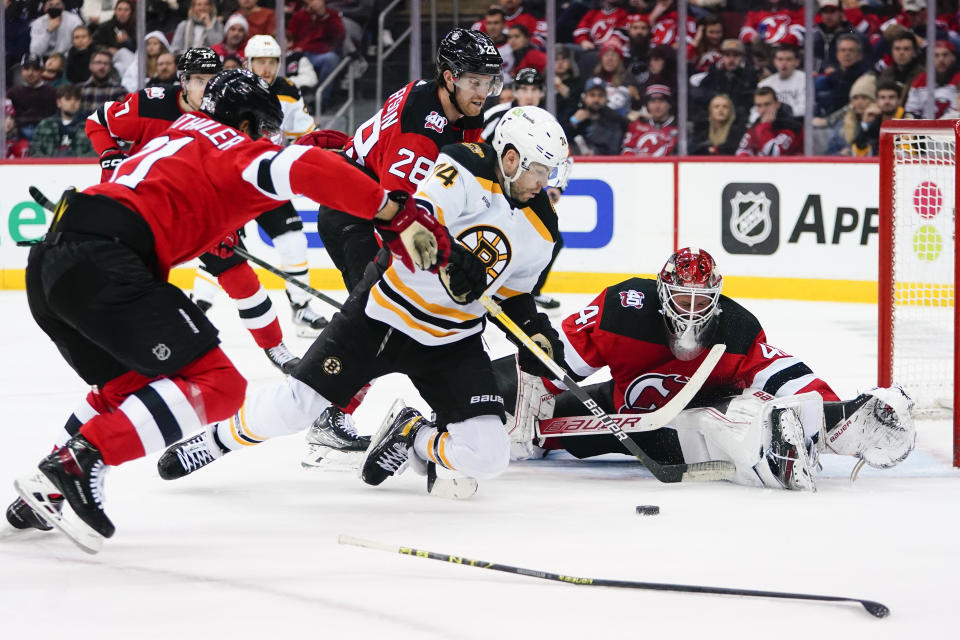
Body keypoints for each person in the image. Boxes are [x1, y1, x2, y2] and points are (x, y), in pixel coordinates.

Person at [8, 68, 440, 549]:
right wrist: (393, 212)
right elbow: (302, 170)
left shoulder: (180, 130)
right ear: (251, 124)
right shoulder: (236, 151)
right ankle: (77, 462)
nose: (269, 141)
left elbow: (187, 199)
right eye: (267, 131)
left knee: (124, 388)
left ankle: (43, 489)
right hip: (105, 262)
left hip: (51, 262)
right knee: (220, 386)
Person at [155, 106, 569, 500]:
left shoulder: (544, 228)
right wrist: (451, 261)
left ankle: (413, 438)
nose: (544, 184)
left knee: (489, 455)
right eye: (540, 171)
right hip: (381, 317)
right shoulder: (464, 163)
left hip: (452, 342)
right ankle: (213, 442)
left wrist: (534, 333)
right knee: (296, 405)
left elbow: (514, 295)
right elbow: (419, 219)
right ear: (511, 158)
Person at [497, 248, 916, 492]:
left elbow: (786, 374)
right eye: (683, 299)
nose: (693, 311)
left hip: (686, 424)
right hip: (622, 412)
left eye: (703, 300)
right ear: (662, 295)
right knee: (524, 407)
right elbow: (551, 360)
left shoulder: (735, 329)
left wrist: (835, 409)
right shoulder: (623, 309)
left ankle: (808, 436)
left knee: (716, 422)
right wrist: (512, 399)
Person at [84, 48, 305, 371]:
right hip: (143, 212)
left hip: (195, 210)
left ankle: (276, 347)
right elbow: (97, 121)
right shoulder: (149, 104)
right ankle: (121, 354)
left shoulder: (224, 113)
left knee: (241, 278)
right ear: (183, 82)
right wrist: (109, 158)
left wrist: (229, 226)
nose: (207, 88)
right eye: (199, 80)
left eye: (212, 80)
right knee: (134, 283)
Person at [312, 28, 500, 294]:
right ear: (449, 77)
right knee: (377, 307)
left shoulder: (449, 103)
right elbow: (392, 214)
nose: (482, 93)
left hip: (372, 193)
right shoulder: (419, 136)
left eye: (488, 82)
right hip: (354, 212)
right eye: (474, 82)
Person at [192, 35, 327, 337]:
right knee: (222, 248)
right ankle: (197, 309)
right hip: (230, 180)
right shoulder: (229, 89)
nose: (266, 68)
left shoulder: (288, 91)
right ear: (247, 62)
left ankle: (302, 308)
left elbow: (305, 135)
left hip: (267, 179)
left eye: (272, 62)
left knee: (293, 240)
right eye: (260, 62)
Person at [287, 0, 345, 93]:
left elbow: (338, 37)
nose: (312, 4)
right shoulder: (299, 16)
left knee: (330, 59)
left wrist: (323, 16)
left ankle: (321, 99)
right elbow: (289, 37)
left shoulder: (332, 15)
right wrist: (295, 48)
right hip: (299, 54)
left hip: (319, 54)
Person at [28, 83, 94, 157]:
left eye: (76, 99)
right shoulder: (45, 125)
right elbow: (34, 151)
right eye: (68, 99)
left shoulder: (90, 127)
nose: (72, 103)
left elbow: (95, 152)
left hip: (79, 167)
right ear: (59, 102)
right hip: (49, 167)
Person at [566, 76, 626, 156]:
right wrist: (573, 122)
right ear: (584, 97)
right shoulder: (573, 113)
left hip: (603, 164)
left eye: (600, 95)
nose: (596, 100)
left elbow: (614, 147)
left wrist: (596, 153)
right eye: (592, 95)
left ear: (606, 98)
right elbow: (560, 141)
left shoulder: (613, 118)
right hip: (576, 164)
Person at [481, 67, 543, 142]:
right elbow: (475, 147)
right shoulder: (496, 114)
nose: (529, 96)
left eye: (535, 89)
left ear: (541, 93)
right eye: (524, 89)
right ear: (515, 91)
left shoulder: (548, 120)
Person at [736, 86, 803, 156]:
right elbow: (741, 152)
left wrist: (765, 126)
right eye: (759, 105)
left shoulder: (792, 128)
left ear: (777, 104)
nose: (763, 109)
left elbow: (772, 154)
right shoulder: (754, 127)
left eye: (767, 104)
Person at [905, 39, 960, 118]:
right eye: (936, 55)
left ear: (953, 57)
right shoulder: (920, 80)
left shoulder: (958, 79)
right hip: (925, 127)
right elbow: (911, 111)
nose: (941, 59)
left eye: (945, 55)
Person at [7, 54, 57, 140]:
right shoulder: (12, 93)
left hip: (45, 133)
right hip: (18, 133)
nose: (30, 73)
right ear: (22, 71)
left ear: (42, 71)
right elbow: (7, 116)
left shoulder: (52, 92)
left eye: (35, 69)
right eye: (26, 68)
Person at [621, 84, 678, 157]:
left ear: (669, 104)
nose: (657, 106)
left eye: (661, 101)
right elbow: (627, 149)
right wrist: (636, 159)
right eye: (653, 102)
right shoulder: (638, 124)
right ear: (647, 105)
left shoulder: (679, 128)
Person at [854, 79, 908, 154]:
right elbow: (859, 152)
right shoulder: (875, 122)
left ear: (899, 100)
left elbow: (908, 153)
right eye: (883, 98)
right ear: (877, 101)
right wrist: (865, 125)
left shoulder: (909, 120)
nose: (887, 101)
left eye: (891, 97)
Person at [757, 45, 805, 118]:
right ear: (774, 62)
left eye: (788, 59)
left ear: (797, 62)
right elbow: (756, 111)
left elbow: (804, 109)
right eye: (780, 59)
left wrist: (778, 114)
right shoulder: (764, 84)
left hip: (796, 122)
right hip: (770, 123)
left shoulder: (805, 80)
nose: (784, 63)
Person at [79, 49, 126, 116]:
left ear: (110, 68)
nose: (102, 67)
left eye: (106, 63)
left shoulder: (120, 91)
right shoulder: (80, 89)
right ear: (91, 66)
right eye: (98, 62)